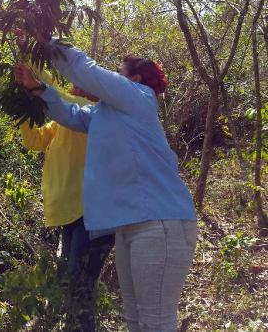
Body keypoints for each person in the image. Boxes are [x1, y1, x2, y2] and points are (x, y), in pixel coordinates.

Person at [14, 43, 197, 332]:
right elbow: (69, 114)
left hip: (160, 223)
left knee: (155, 321)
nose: (113, 75)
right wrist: (38, 88)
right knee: (135, 319)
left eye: (118, 71)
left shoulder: (139, 96)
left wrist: (44, 40)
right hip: (129, 226)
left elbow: (87, 72)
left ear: (134, 79)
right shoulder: (103, 114)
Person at [19, 78, 114, 332]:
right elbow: (34, 142)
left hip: (90, 212)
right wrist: (23, 111)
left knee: (79, 282)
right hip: (68, 212)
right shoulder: (59, 122)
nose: (73, 87)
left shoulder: (92, 116)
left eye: (79, 83)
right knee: (71, 281)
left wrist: (36, 86)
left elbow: (66, 102)